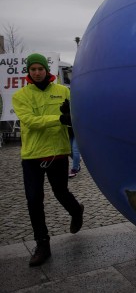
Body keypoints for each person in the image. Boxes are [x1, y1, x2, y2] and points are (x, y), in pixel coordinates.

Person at [12, 53, 84, 267]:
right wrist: (59, 118)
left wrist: (71, 116)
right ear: (29, 72)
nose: (36, 72)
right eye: (33, 69)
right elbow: (30, 121)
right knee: (34, 200)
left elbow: (75, 116)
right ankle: (42, 244)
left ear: (46, 70)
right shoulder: (21, 95)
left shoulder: (63, 91)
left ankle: (76, 210)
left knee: (61, 192)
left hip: (57, 153)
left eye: (40, 69)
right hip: (33, 156)